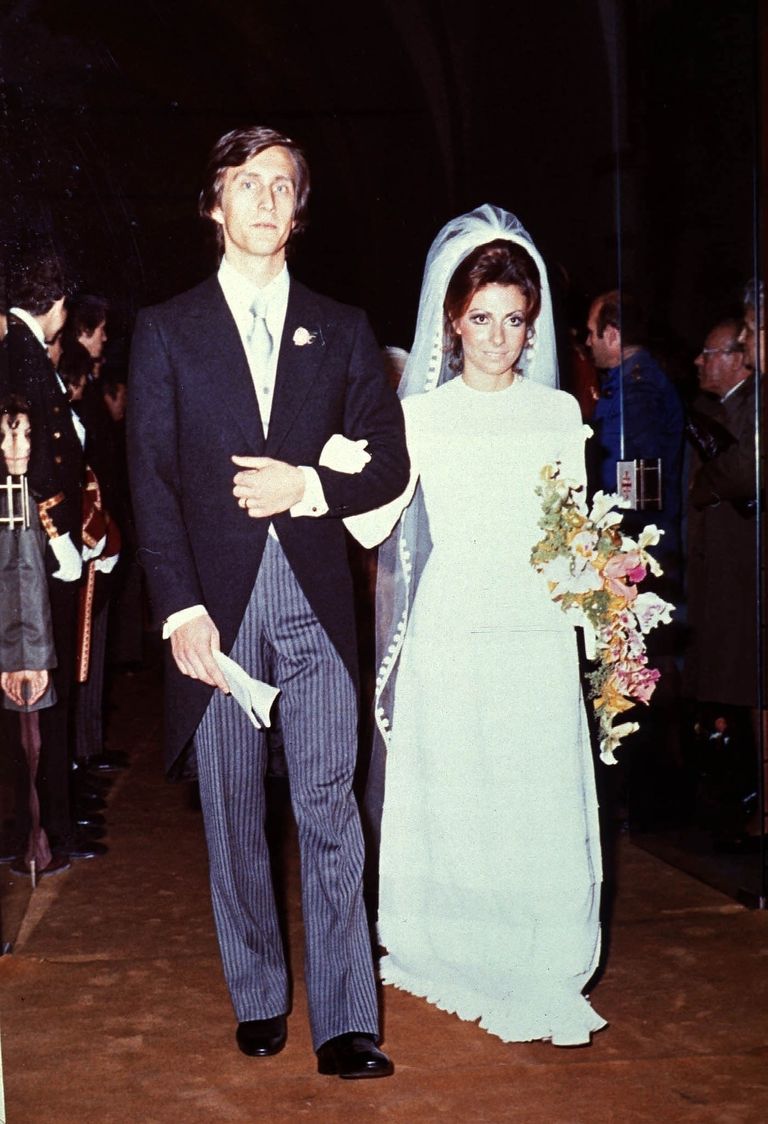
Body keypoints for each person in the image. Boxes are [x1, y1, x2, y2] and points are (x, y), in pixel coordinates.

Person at [127, 125, 409, 1078]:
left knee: (330, 804)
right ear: (215, 204)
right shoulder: (168, 329)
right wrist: (179, 610)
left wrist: (308, 487)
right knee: (233, 806)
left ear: (298, 212)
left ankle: (345, 1021)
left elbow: (389, 460)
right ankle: (257, 997)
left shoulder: (343, 326)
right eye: (245, 183)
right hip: (216, 607)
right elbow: (151, 480)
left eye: (281, 186)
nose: (263, 200)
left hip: (316, 600)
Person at [347, 205, 606, 1047]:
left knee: (534, 790)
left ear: (533, 326)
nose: (499, 338)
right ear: (453, 320)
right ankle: (454, 940)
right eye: (483, 318)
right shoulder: (421, 416)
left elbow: (574, 532)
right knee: (464, 784)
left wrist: (606, 617)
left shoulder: (557, 412)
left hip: (535, 625)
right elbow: (374, 523)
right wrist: (339, 466)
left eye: (515, 320)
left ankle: (542, 949)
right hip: (454, 616)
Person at [585, 290, 684, 567]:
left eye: (592, 333)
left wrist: (624, 544)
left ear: (612, 335)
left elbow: (639, 485)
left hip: (637, 543)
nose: (588, 341)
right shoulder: (627, 382)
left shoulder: (638, 390)